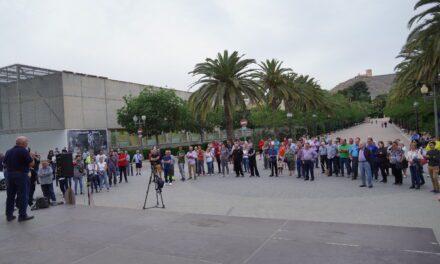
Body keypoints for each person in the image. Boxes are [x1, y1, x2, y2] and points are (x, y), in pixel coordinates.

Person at [4, 136, 35, 222]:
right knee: (23, 195)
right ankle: (22, 215)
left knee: (10, 196)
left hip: (10, 174)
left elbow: (5, 162)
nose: (27, 143)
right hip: (21, 175)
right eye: (26, 142)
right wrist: (31, 156)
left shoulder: (9, 151)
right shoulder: (23, 151)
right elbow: (31, 164)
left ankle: (9, 215)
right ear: (23, 143)